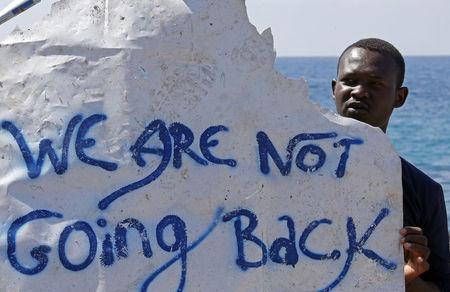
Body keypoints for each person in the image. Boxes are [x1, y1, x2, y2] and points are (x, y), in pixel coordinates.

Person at [331, 38, 450, 292]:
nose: (359, 91)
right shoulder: (283, 167)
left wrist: (407, 276)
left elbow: (440, 287)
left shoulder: (423, 191)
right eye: (350, 81)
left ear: (400, 96)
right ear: (334, 88)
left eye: (375, 83)